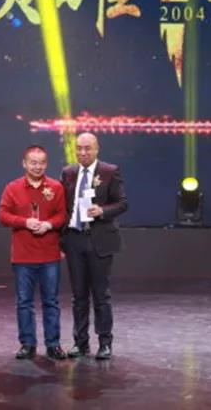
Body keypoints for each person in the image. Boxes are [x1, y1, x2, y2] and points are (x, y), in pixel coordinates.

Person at [60, 133, 128, 360]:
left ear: (97, 149)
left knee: (101, 295)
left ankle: (105, 343)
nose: (83, 152)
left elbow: (122, 203)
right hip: (74, 239)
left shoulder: (109, 171)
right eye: (79, 148)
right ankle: (80, 343)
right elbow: (63, 206)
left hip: (99, 240)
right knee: (78, 296)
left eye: (87, 148)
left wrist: (102, 211)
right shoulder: (68, 172)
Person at [0, 145, 67, 360]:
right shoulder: (13, 187)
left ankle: (53, 344)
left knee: (51, 301)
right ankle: (27, 344)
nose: (38, 166)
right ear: (24, 163)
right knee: (24, 302)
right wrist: (24, 222)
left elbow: (62, 215)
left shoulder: (56, 187)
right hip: (23, 256)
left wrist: (48, 225)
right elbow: (2, 214)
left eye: (42, 162)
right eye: (33, 162)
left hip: (49, 255)